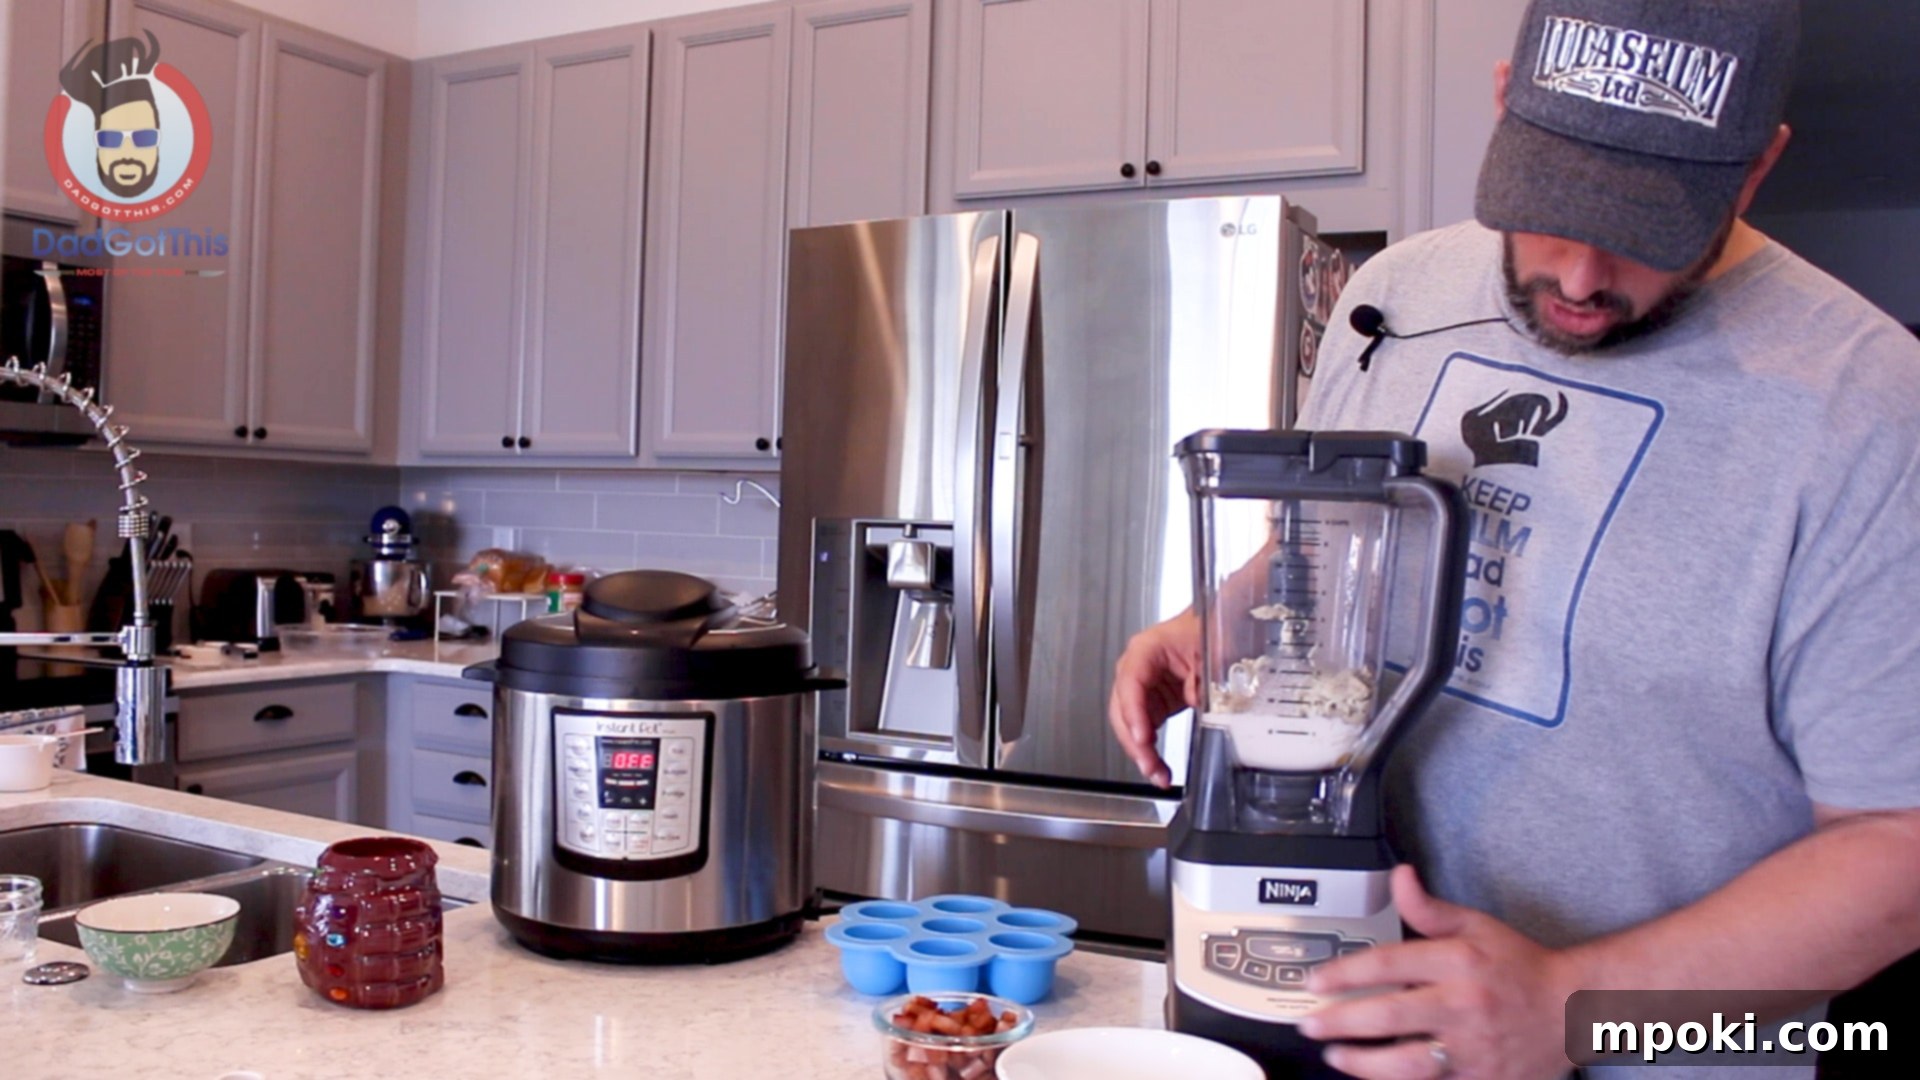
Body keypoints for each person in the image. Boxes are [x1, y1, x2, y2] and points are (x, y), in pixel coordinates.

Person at [1108, 1, 1920, 1077]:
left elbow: (1898, 850)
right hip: (1350, 1022)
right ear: (1504, 107)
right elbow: (1335, 546)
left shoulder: (1869, 409)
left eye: (1650, 228)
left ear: (1758, 165)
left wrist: (1570, 1007)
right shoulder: (1394, 295)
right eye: (1555, 207)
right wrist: (1218, 614)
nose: (1581, 279)